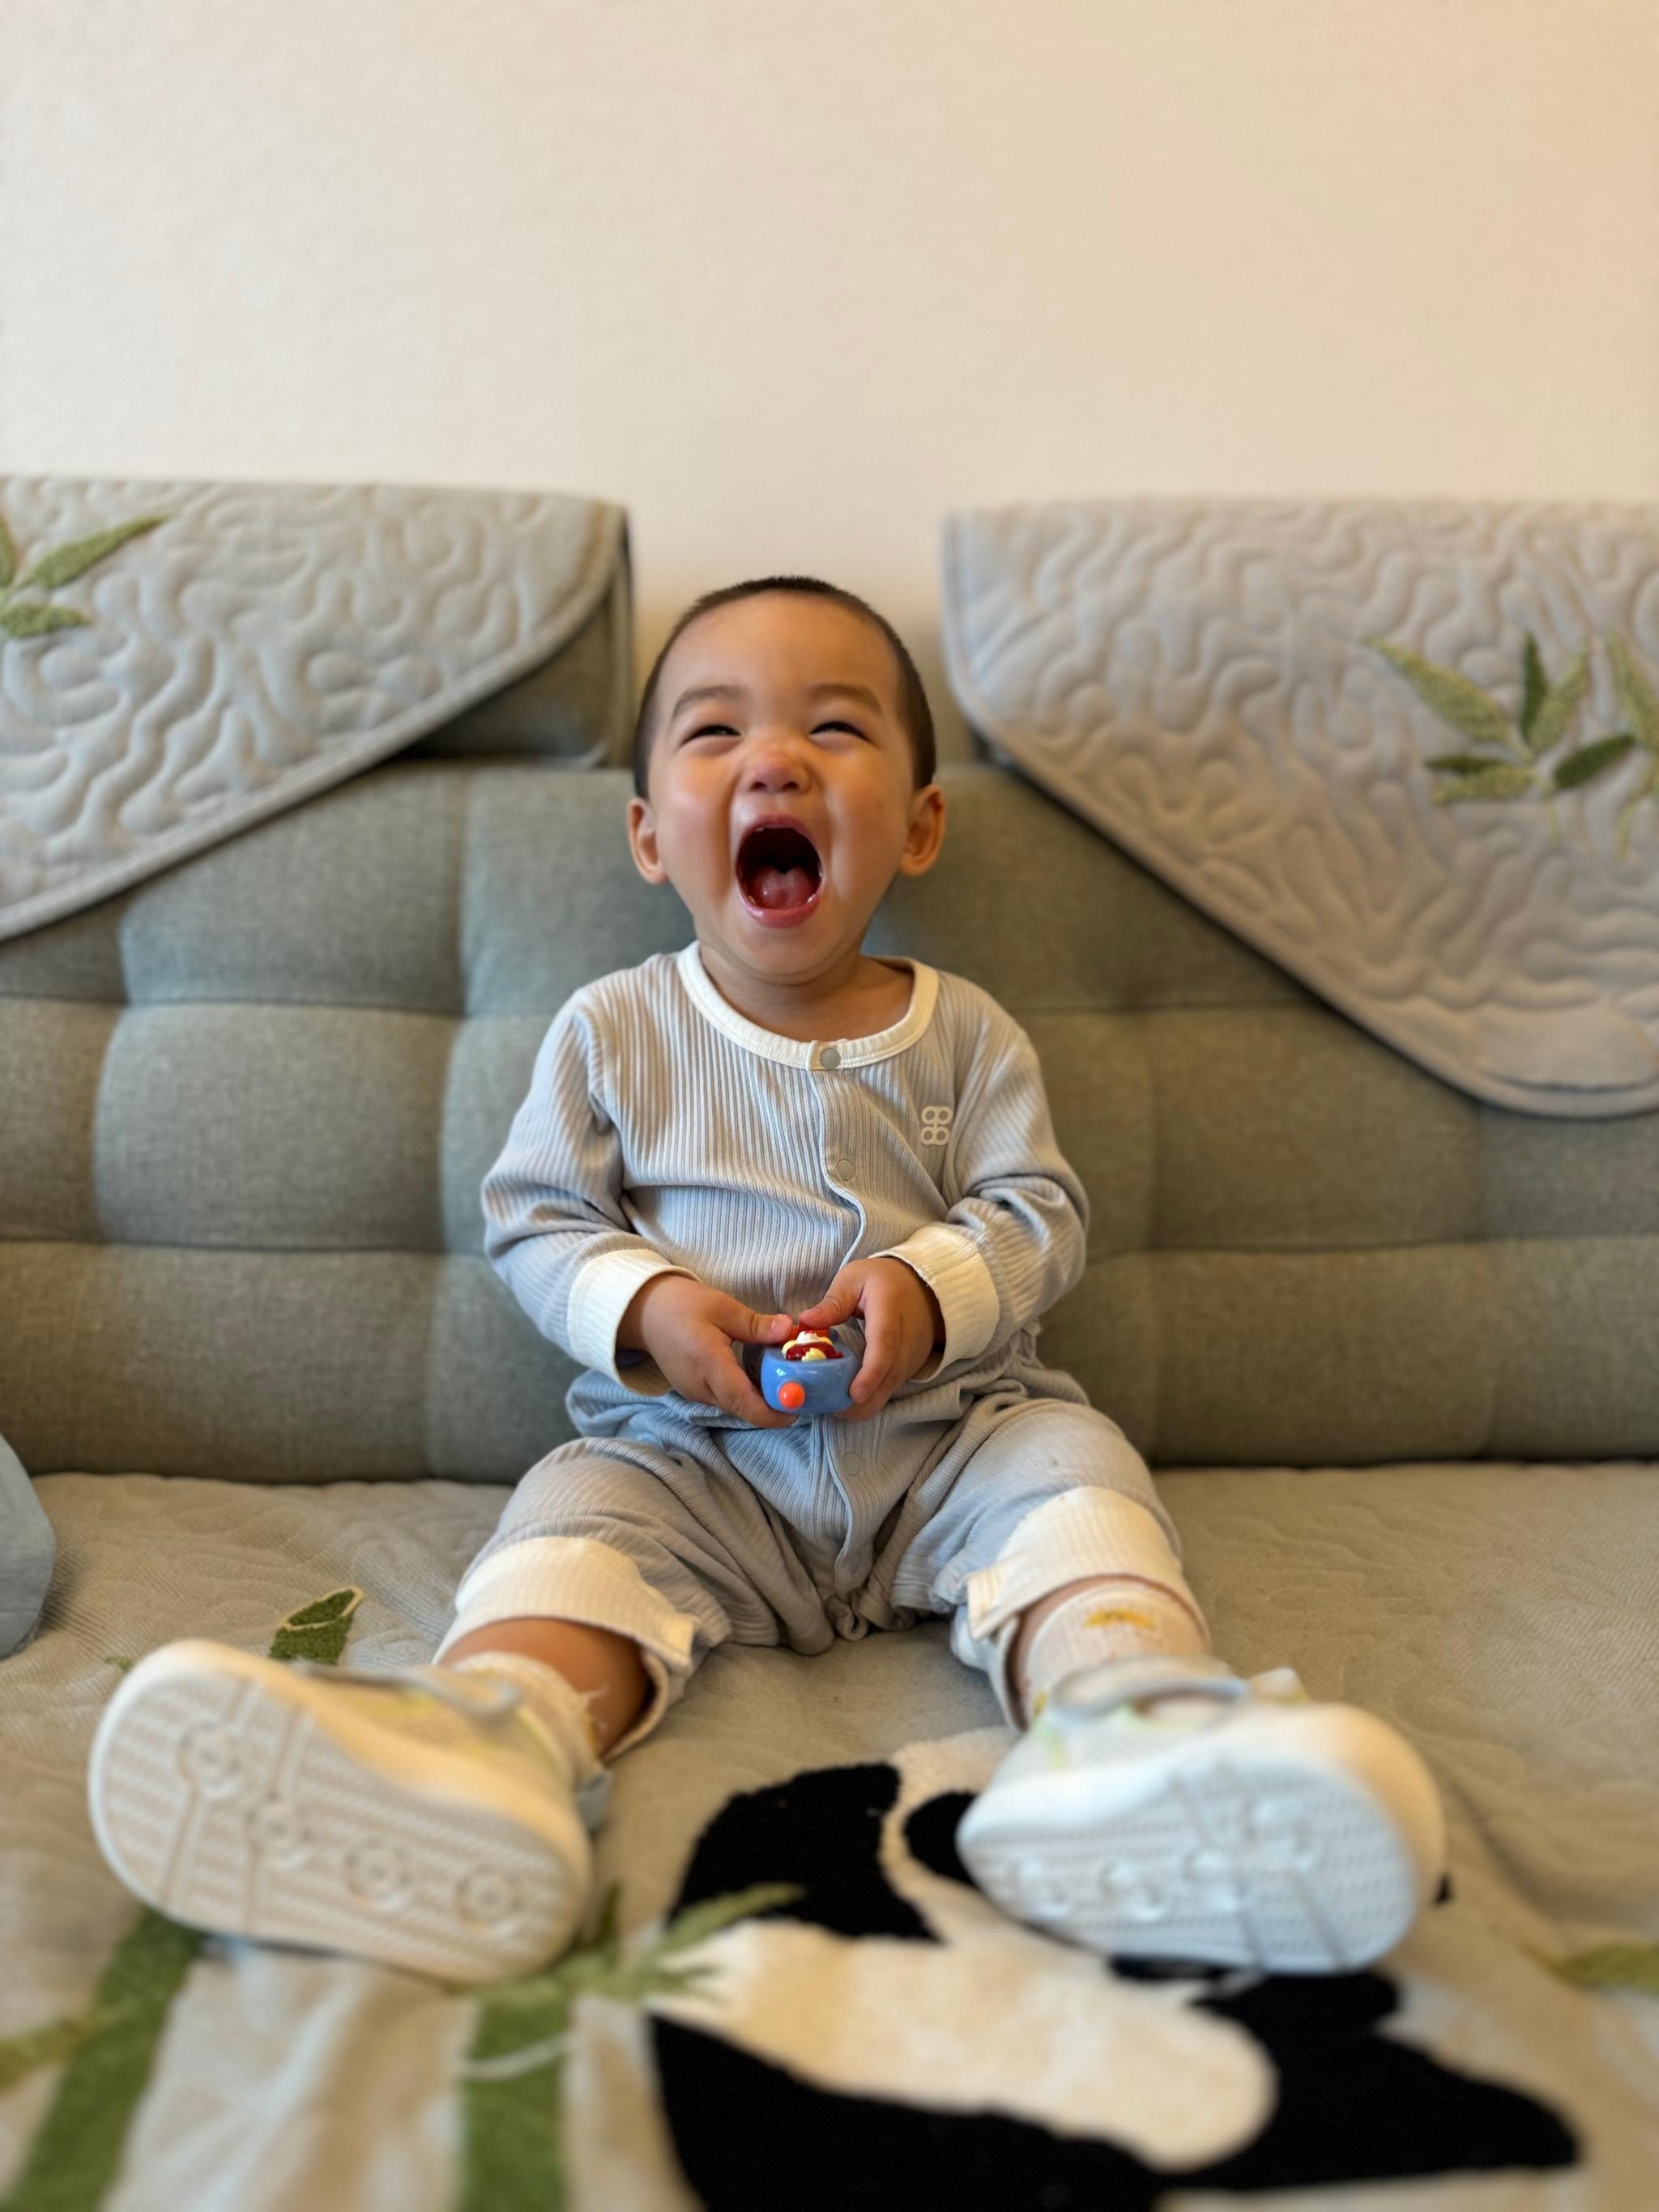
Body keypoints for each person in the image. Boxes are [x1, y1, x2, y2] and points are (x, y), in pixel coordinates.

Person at [87, 578, 1445, 1985]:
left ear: (920, 825)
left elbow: (1041, 1214)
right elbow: (537, 1220)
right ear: (648, 833)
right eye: (715, 730)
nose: (776, 761)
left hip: (951, 1443)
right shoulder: (614, 1030)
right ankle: (484, 1747)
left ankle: (1132, 1730)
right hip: (695, 1456)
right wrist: (652, 1308)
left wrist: (926, 1294)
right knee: (571, 1527)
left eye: (837, 729)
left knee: (1077, 1482)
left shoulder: (967, 1036)